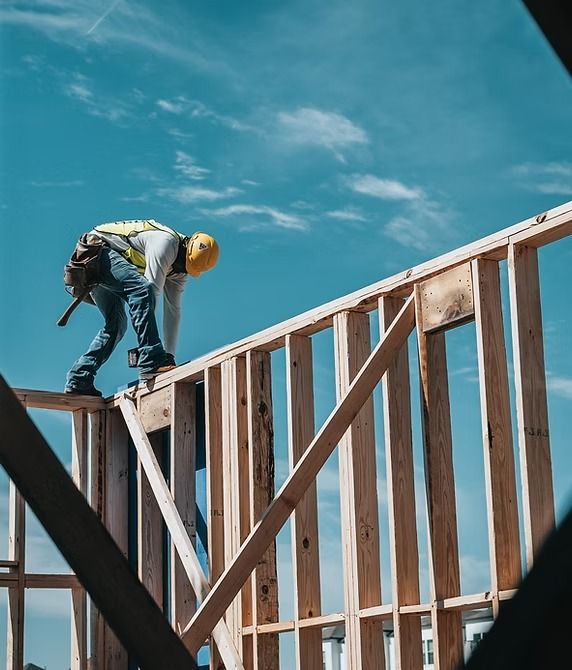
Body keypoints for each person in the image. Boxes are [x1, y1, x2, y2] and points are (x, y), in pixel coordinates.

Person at [64, 219, 219, 396]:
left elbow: (173, 312)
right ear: (185, 246)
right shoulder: (165, 243)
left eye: (186, 268)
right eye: (183, 264)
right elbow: (149, 292)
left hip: (105, 263)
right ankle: (151, 359)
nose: (180, 270)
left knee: (116, 326)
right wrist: (153, 356)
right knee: (142, 289)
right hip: (96, 252)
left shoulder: (179, 271)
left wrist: (169, 356)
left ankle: (79, 378)